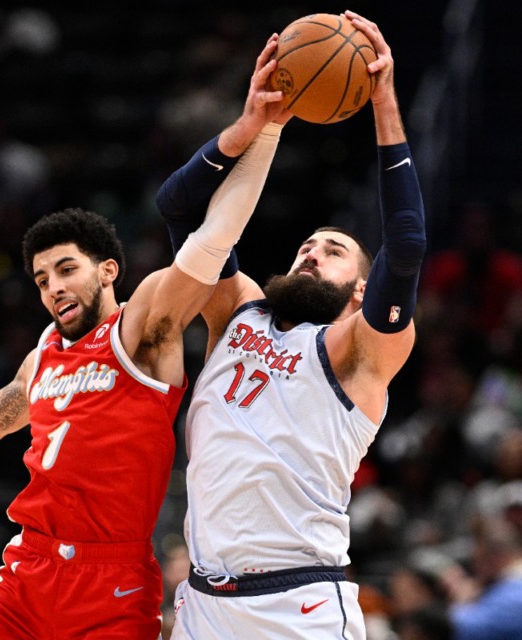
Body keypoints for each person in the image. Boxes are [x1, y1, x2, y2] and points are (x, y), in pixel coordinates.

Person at [0, 36, 290, 640]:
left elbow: (213, 236)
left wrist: (262, 132)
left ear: (108, 270)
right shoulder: (45, 352)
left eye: (67, 270)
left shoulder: (143, 329)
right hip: (28, 571)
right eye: (42, 278)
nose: (52, 288)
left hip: (112, 583)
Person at [156, 11, 427, 639]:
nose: (311, 251)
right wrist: (256, 126)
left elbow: (406, 242)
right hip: (202, 599)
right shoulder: (235, 312)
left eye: (333, 249)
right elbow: (179, 207)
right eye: (307, 244)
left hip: (296, 603)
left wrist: (383, 101)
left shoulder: (359, 350)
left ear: (362, 290)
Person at [439, 516, 522, 640]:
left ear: (497, 558)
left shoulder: (517, 594)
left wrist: (461, 600)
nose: (475, 569)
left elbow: (454, 630)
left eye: (477, 560)